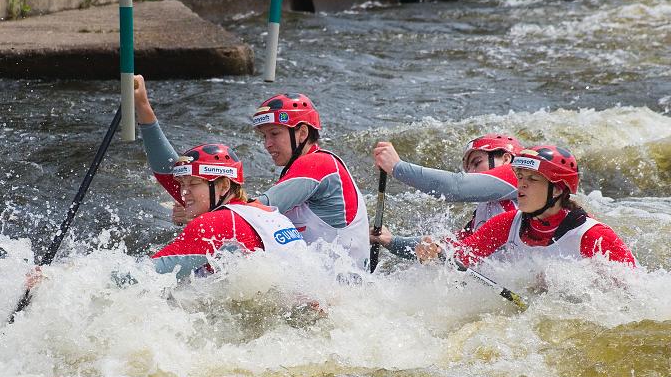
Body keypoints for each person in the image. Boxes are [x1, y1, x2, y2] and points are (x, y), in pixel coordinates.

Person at [133, 76, 303, 279]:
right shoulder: (262, 213)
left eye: (193, 183)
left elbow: (144, 277)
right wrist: (143, 107)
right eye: (182, 184)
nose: (183, 192)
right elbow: (167, 171)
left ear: (223, 185)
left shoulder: (216, 223)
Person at [414, 145, 636, 267]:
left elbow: (635, 294)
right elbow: (463, 257)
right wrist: (438, 251)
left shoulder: (594, 236)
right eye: (520, 177)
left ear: (557, 189)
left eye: (532, 179)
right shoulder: (507, 223)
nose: (521, 186)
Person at [251, 93, 370, 270]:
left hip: (335, 292)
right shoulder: (308, 167)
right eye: (264, 136)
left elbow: (254, 212)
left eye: (274, 133)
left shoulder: (317, 164)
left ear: (303, 133)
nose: (267, 144)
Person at [370, 133, 523, 259]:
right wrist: (392, 241)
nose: (471, 173)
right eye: (468, 169)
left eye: (477, 162)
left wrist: (397, 167)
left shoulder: (519, 175)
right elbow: (449, 245)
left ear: (506, 159)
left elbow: (456, 187)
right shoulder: (483, 213)